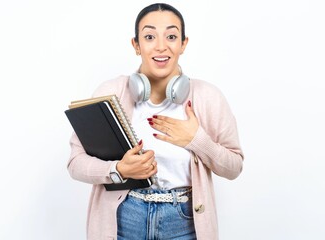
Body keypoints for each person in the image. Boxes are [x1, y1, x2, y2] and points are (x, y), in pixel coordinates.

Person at [67, 3, 244, 240]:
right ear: (136, 45)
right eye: (149, 36)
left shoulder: (208, 97)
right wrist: (118, 170)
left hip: (183, 221)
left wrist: (196, 140)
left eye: (171, 36)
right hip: (124, 217)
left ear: (183, 44)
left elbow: (234, 167)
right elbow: (75, 163)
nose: (161, 46)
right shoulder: (110, 93)